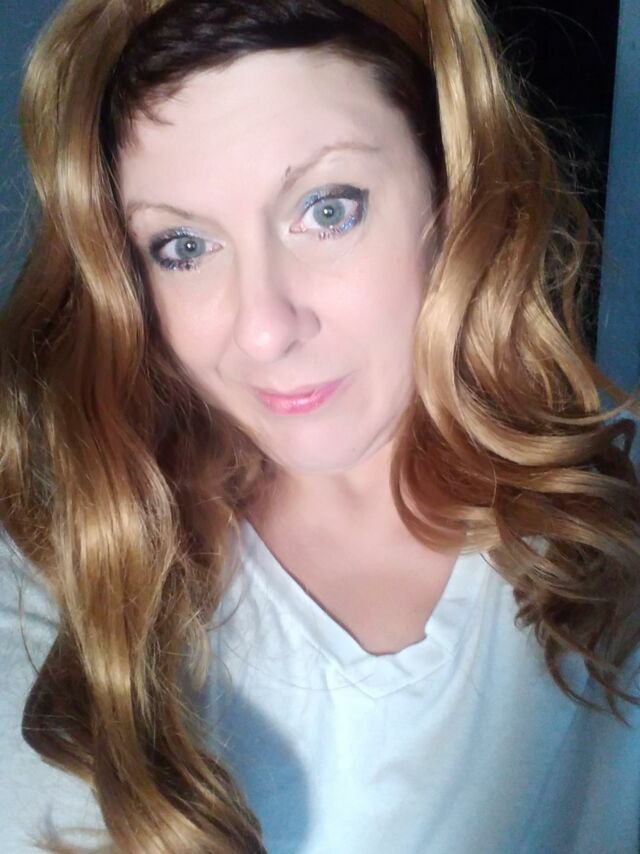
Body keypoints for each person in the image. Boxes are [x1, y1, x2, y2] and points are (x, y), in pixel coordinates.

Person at [0, 0, 639, 852]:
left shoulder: (610, 512)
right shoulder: (61, 565)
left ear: (454, 190)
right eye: (182, 246)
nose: (263, 329)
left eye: (329, 209)